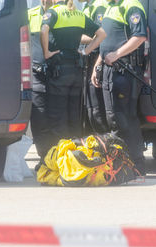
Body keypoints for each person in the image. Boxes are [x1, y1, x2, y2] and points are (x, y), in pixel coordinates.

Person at [91, 0, 147, 175]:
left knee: (125, 118)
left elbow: (139, 37)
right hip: (110, 71)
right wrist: (97, 66)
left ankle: (135, 165)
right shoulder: (110, 8)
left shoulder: (131, 5)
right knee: (114, 118)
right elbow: (106, 43)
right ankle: (122, 163)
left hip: (125, 72)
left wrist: (116, 55)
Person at [40, 0, 107, 147]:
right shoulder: (79, 14)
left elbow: (43, 30)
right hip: (76, 72)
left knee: (58, 116)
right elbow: (101, 34)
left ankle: (62, 158)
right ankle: (76, 156)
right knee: (74, 116)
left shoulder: (53, 12)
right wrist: (85, 51)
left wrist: (46, 52)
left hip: (59, 72)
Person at [28, 0, 53, 165]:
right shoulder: (30, 15)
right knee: (39, 119)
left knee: (58, 120)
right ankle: (45, 157)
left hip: (59, 74)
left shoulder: (61, 13)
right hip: (37, 74)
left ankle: (56, 156)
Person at [80, 0, 109, 134]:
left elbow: (101, 37)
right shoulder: (88, 6)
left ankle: (106, 144)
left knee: (96, 109)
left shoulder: (100, 6)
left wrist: (73, 36)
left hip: (96, 61)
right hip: (89, 60)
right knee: (91, 109)